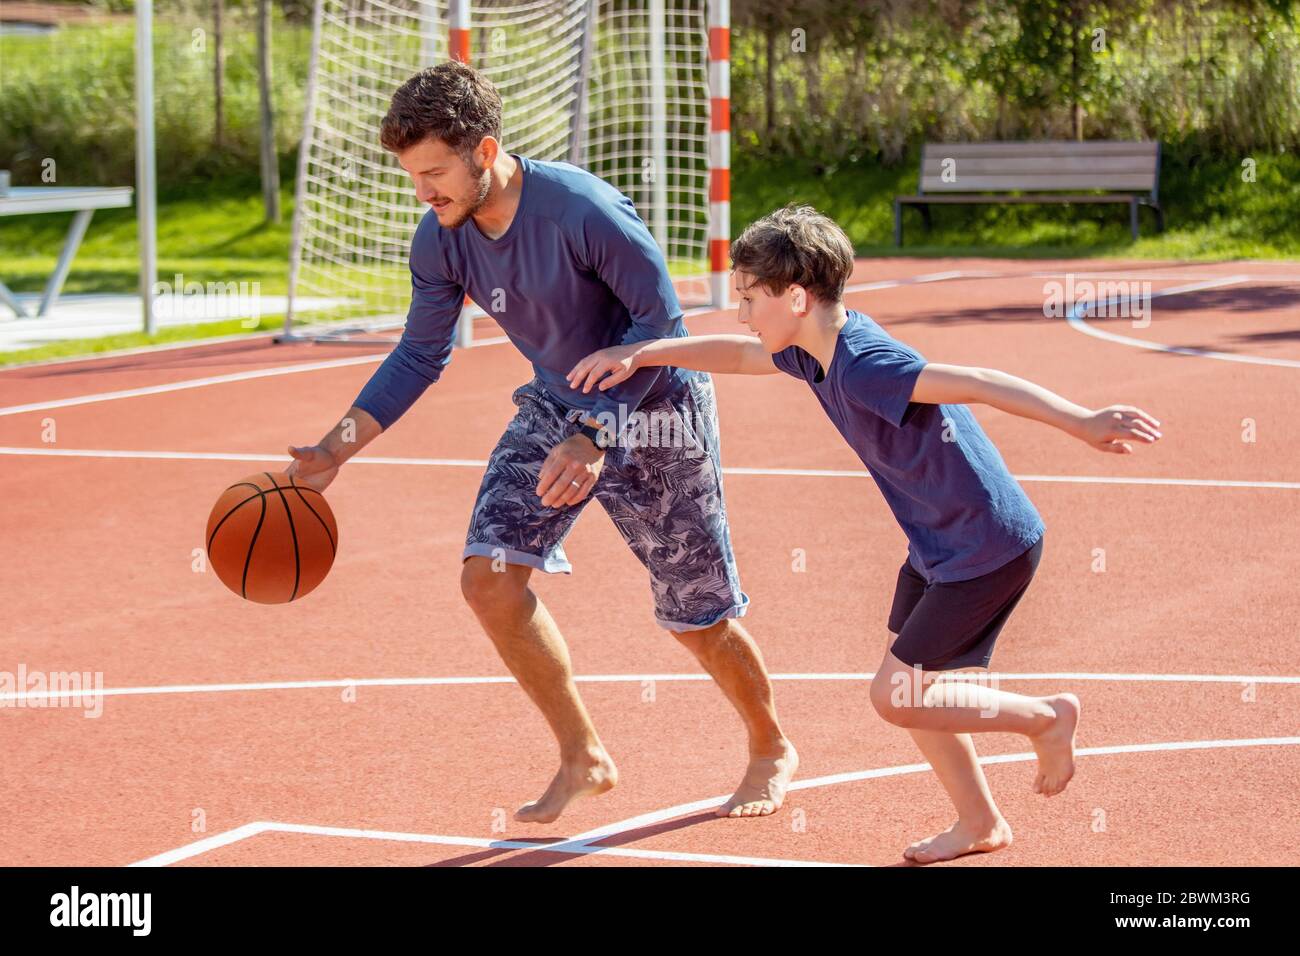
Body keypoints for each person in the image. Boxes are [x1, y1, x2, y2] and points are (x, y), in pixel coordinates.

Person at [567, 203, 1164, 862]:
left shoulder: (863, 362)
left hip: (984, 544)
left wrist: (1081, 421)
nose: (741, 313)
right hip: (939, 542)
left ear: (795, 297)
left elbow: (980, 382)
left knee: (898, 695)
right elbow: (739, 355)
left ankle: (1047, 719)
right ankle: (980, 823)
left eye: (748, 298)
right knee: (919, 694)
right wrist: (643, 351)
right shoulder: (809, 348)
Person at [286, 62, 797, 824]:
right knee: (488, 579)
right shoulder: (443, 239)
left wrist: (596, 432)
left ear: (485, 151)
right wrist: (335, 449)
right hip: (558, 405)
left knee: (697, 617)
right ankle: (583, 755)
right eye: (412, 177)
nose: (424, 194)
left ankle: (769, 745)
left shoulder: (581, 211)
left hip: (657, 406)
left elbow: (662, 328)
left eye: (435, 174)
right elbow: (420, 354)